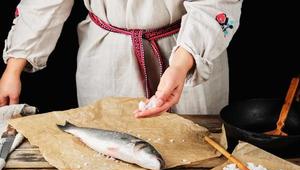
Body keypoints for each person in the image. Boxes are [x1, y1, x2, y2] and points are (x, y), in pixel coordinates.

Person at [0, 0, 243, 118]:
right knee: (112, 151)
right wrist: (14, 66)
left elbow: (215, 3)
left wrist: (180, 65)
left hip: (189, 50)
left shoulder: (187, 58)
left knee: (196, 152)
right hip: (107, 58)